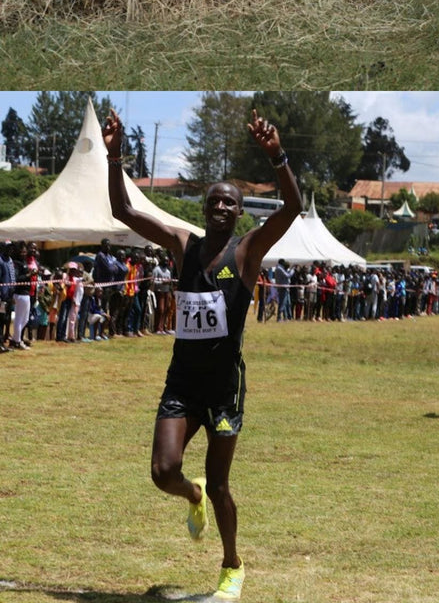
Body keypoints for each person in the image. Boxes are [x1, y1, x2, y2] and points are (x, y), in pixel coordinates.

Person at [102, 106, 302, 601]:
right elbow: (123, 213)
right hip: (183, 382)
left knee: (220, 485)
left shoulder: (248, 252)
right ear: (203, 208)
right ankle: (189, 495)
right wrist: (114, 158)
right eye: (212, 200)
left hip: (223, 388)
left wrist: (276, 155)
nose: (219, 207)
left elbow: (293, 207)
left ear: (238, 213)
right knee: (162, 472)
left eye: (228, 203)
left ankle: (232, 564)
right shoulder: (181, 244)